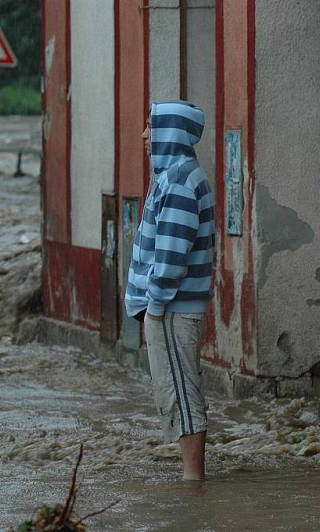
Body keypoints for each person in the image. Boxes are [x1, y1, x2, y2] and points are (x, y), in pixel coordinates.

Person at [124, 100, 215, 481]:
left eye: (151, 126)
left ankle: (193, 482)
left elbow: (172, 253)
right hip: (169, 308)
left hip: (173, 310)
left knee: (181, 390)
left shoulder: (178, 181)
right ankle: (190, 477)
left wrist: (157, 306)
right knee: (176, 389)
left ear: (171, 133)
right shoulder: (172, 177)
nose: (144, 135)